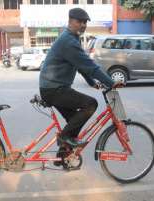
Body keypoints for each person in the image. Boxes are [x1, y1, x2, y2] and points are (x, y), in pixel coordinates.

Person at [39, 8, 123, 165]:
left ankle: (61, 158)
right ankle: (64, 138)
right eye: (80, 21)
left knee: (74, 122)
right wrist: (111, 83)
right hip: (54, 89)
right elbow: (90, 66)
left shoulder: (73, 39)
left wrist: (91, 82)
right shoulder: (68, 41)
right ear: (70, 21)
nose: (83, 25)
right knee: (91, 104)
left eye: (85, 22)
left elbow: (79, 65)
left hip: (54, 88)